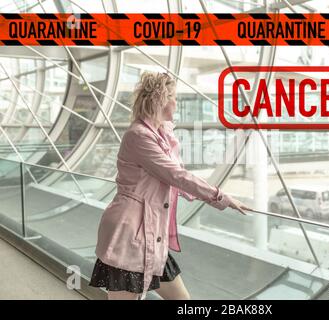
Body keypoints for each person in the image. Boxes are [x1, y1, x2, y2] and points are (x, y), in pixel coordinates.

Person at [89, 71, 252, 300]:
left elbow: (178, 179)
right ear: (160, 99)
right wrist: (220, 197)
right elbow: (176, 175)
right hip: (131, 235)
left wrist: (206, 195)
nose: (177, 102)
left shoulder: (161, 135)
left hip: (152, 235)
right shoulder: (138, 136)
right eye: (173, 96)